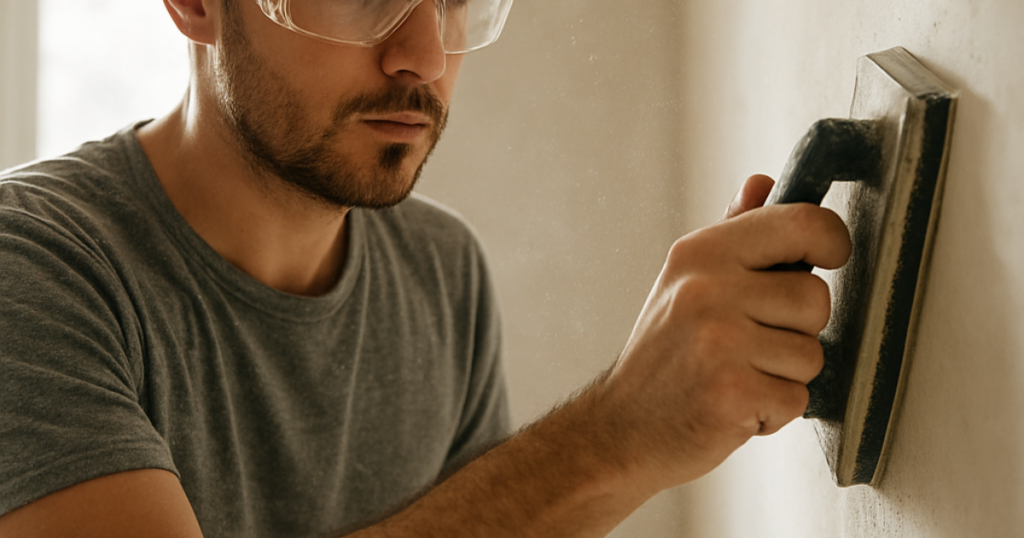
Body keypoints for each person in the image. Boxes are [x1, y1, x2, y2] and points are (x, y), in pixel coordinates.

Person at [0, 0, 851, 536]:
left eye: (454, 0)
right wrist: (616, 436)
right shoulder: (33, 270)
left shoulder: (442, 273)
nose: (426, 57)